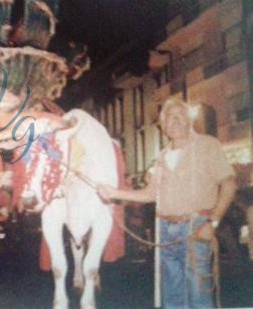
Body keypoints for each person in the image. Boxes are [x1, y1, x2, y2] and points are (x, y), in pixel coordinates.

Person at [98, 98, 237, 308]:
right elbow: (149, 194)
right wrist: (114, 193)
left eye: (180, 116)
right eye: (170, 118)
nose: (175, 121)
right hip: (164, 231)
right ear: (163, 125)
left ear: (190, 121)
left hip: (195, 228)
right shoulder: (162, 157)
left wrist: (213, 222)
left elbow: (230, 184)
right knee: (171, 296)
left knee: (199, 294)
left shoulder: (208, 145)